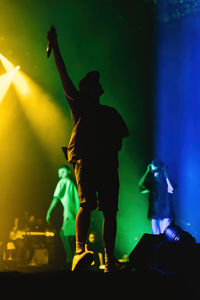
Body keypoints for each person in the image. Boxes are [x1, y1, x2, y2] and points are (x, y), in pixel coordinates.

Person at [46, 26, 129, 272]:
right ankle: (81, 252)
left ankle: (107, 258)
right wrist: (56, 47)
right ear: (90, 90)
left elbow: (120, 140)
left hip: (100, 164)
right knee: (90, 206)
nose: (96, 88)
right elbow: (63, 75)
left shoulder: (107, 113)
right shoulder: (83, 106)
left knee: (107, 211)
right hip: (94, 163)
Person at [46, 165, 79, 268]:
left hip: (69, 215)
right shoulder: (73, 182)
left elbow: (56, 198)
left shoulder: (63, 181)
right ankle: (74, 261)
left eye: (63, 171)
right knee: (71, 239)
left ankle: (71, 261)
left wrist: (49, 212)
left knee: (65, 236)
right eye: (60, 172)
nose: (61, 174)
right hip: (76, 214)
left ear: (68, 172)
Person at [138, 159, 176, 234]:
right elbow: (141, 185)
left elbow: (172, 188)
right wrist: (147, 171)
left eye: (158, 170)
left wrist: (165, 173)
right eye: (155, 171)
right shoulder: (153, 183)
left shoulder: (167, 181)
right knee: (156, 236)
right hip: (155, 214)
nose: (156, 173)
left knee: (165, 235)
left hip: (166, 214)